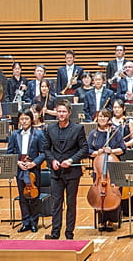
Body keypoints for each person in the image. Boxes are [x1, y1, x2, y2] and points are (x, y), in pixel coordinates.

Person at [43, 99, 89, 240]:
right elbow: (46, 148)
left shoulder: (77, 128)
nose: (61, 114)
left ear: (69, 113)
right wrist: (53, 160)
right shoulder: (50, 128)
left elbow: (84, 148)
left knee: (71, 203)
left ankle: (69, 233)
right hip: (56, 172)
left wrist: (71, 160)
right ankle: (55, 233)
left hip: (72, 173)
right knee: (56, 203)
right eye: (59, 111)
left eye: (64, 111)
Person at [7, 108, 45, 233]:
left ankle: (34, 222)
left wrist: (34, 163)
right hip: (20, 169)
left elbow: (44, 153)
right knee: (23, 197)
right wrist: (17, 163)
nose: (24, 121)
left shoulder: (38, 134)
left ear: (31, 119)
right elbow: (10, 153)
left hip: (33, 169)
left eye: (26, 118)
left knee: (34, 197)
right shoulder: (14, 134)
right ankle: (25, 222)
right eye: (22, 119)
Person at [88, 108, 126, 231]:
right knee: (98, 192)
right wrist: (97, 152)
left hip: (112, 168)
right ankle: (101, 220)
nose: (102, 119)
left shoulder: (115, 132)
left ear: (109, 119)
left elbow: (122, 149)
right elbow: (87, 150)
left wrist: (112, 151)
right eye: (100, 116)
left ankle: (112, 220)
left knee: (113, 192)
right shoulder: (93, 134)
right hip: (99, 170)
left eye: (105, 116)